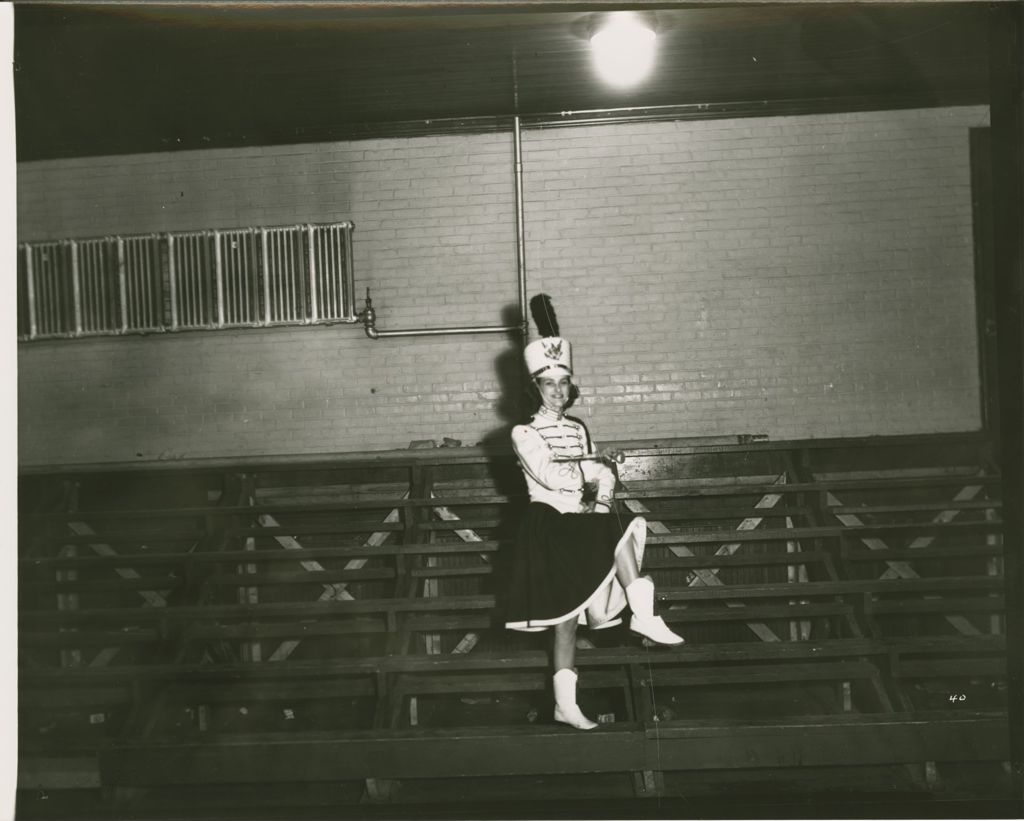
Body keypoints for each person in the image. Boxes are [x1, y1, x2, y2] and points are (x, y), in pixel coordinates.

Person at [503, 294, 684, 731]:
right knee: (563, 623)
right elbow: (549, 475)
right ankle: (566, 704)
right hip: (549, 524)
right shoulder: (524, 432)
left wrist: (600, 495)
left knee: (616, 525)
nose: (559, 392)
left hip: (583, 521)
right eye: (550, 385)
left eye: (564, 383)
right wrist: (592, 471)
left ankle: (643, 615)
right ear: (535, 388)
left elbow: (602, 476)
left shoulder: (579, 428)